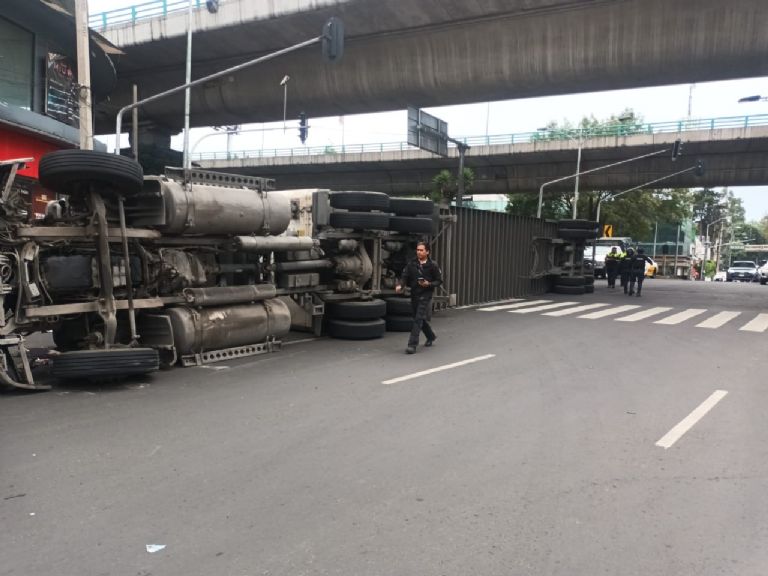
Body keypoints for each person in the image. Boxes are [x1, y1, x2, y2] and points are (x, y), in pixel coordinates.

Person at [395, 241, 442, 354]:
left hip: (425, 295)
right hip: (415, 294)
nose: (419, 252)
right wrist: (400, 285)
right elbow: (405, 276)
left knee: (417, 319)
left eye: (421, 250)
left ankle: (412, 345)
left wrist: (429, 284)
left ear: (427, 252)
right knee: (418, 317)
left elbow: (439, 281)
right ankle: (431, 336)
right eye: (417, 250)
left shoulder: (433, 265)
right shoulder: (412, 264)